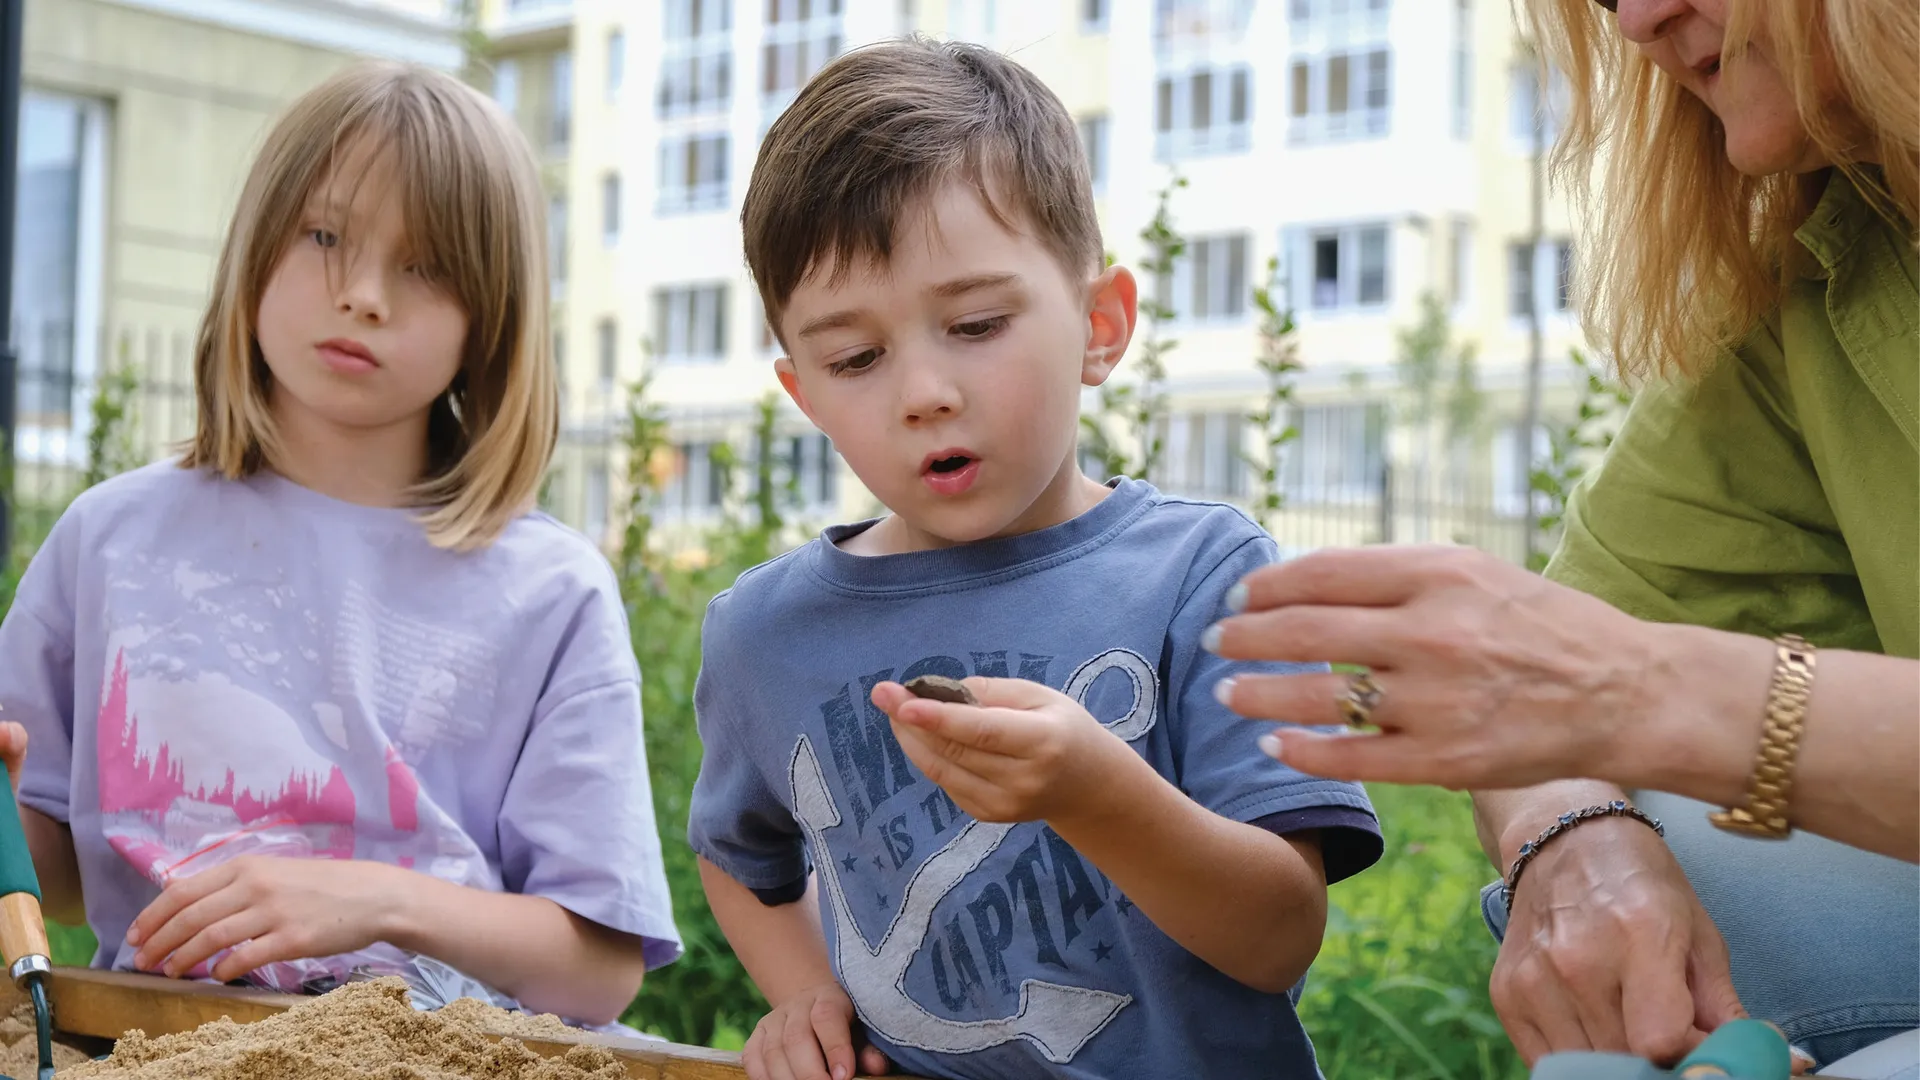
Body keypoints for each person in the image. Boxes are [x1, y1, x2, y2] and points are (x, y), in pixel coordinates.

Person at [1208, 0, 1918, 1073]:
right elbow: (1554, 685)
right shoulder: (1831, 262)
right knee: (1659, 837)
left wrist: (1657, 694)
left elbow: (1607, 678)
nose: (1636, 19)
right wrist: (1573, 833)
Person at [686, 38, 1383, 1080]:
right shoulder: (763, 634)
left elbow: (1279, 935)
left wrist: (1098, 793)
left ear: (1100, 326)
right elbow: (736, 855)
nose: (924, 393)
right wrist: (808, 998)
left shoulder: (1208, 577)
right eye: (855, 358)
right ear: (805, 395)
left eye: (975, 324)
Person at [0, 60, 681, 1026]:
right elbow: (61, 876)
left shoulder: (552, 589)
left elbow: (598, 971)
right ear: (257, 243)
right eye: (324, 236)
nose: (364, 295)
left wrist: (374, 899)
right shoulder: (108, 538)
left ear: (491, 316)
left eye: (427, 266)